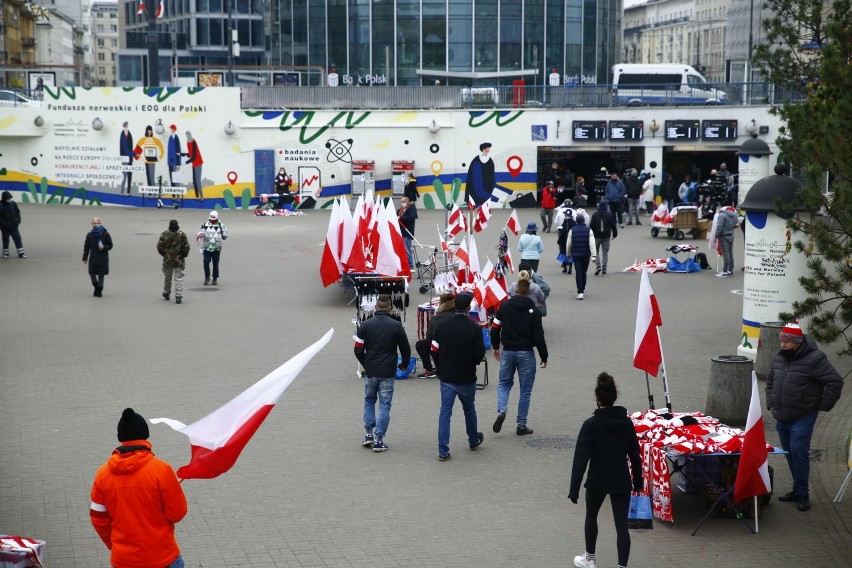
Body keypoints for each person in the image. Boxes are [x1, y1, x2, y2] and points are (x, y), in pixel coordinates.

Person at [90, 408, 188, 568]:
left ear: (120, 437)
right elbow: (176, 513)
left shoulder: (102, 474)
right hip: (162, 557)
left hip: (123, 560)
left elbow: (98, 518)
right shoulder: (162, 469)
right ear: (145, 434)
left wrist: (115, 546)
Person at [766, 322, 843, 512]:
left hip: (802, 415)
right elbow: (770, 381)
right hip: (782, 415)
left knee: (799, 451)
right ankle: (797, 488)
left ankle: (803, 493)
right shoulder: (778, 357)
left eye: (788, 341)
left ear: (798, 342)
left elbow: (834, 381)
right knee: (790, 453)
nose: (783, 344)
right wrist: (770, 403)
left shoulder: (815, 359)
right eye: (782, 340)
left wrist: (822, 405)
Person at [569, 373, 642, 568]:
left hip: (597, 479)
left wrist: (574, 488)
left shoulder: (591, 424)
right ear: (614, 396)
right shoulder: (627, 424)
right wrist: (639, 482)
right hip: (621, 479)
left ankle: (590, 558)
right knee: (621, 526)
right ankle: (622, 566)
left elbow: (580, 459)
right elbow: (635, 455)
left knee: (591, 517)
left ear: (597, 397)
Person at [431, 292, 486, 460]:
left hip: (447, 377)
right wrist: (472, 363)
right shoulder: (475, 328)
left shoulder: (442, 326)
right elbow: (479, 354)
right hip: (466, 376)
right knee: (469, 408)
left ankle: (443, 449)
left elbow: (434, 349)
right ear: (469, 308)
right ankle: (473, 439)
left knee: (445, 413)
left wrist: (440, 366)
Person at [490, 278, 548, 436]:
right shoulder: (534, 311)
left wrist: (496, 347)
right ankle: (521, 425)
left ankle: (502, 410)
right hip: (526, 353)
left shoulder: (505, 306)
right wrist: (544, 356)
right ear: (529, 292)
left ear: (516, 291)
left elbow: (495, 328)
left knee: (503, 384)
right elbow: (539, 336)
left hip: (508, 352)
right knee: (525, 391)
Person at [354, 294, 411, 452]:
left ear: (375, 307)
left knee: (369, 401)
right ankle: (379, 440)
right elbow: (405, 348)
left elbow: (357, 349)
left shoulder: (365, 325)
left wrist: (366, 363)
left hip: (371, 370)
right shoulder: (396, 325)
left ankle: (368, 434)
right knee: (385, 405)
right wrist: (404, 364)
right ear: (390, 308)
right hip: (388, 371)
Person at [415, 293, 456, 378]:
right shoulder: (458, 314)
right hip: (456, 344)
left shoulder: (438, 317)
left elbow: (430, 334)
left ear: (441, 303)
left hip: (441, 345)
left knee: (421, 344)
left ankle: (429, 369)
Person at [157, 219, 191, 304]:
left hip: (167, 260)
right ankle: (178, 296)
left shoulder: (164, 234)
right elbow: (186, 247)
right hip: (179, 260)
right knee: (178, 278)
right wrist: (182, 255)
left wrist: (165, 254)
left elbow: (159, 247)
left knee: (167, 277)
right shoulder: (182, 234)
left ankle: (167, 292)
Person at [566, 214, 596, 300]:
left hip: (576, 255)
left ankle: (580, 292)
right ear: (583, 221)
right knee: (584, 272)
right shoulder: (589, 230)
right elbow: (592, 244)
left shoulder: (572, 230)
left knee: (578, 272)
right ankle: (583, 287)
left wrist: (568, 254)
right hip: (586, 254)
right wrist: (594, 256)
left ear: (576, 221)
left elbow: (568, 244)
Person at [83, 217, 113, 297]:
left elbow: (110, 245)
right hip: (93, 258)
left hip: (103, 258)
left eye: (97, 223)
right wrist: (85, 258)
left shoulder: (105, 234)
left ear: (100, 224)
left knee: (101, 275)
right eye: (94, 223)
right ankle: (96, 287)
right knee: (92, 274)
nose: (96, 225)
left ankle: (99, 290)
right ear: (92, 224)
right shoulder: (90, 235)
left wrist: (104, 247)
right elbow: (87, 247)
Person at [197, 210, 228, 285]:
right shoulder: (205, 224)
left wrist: (221, 236)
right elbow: (201, 232)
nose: (212, 221)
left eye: (213, 220)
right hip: (207, 247)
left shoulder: (221, 225)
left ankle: (215, 278)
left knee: (215, 263)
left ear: (217, 218)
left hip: (217, 248)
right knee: (206, 262)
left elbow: (225, 236)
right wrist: (200, 235)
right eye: (211, 219)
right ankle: (207, 277)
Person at [590, 200, 617, 277]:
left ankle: (598, 265)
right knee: (605, 252)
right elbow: (613, 226)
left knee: (596, 251)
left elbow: (591, 226)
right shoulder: (609, 214)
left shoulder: (595, 215)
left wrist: (589, 235)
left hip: (596, 236)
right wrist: (615, 234)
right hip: (606, 237)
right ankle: (604, 269)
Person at [714, 205, 739, 277]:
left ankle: (725, 270)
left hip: (723, 236)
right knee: (730, 253)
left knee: (725, 254)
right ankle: (730, 270)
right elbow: (736, 225)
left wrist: (716, 236)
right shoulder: (734, 214)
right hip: (731, 235)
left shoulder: (722, 215)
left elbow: (719, 227)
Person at [0, 190, 26, 258]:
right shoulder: (1, 205)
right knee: (5, 240)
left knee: (18, 239)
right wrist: (3, 224)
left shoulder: (13, 203)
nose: (9, 199)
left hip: (14, 226)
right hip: (5, 228)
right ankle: (5, 253)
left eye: (9, 198)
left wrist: (18, 220)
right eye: (8, 198)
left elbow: (17, 212)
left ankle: (21, 253)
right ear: (4, 198)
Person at [397, 195, 418, 270]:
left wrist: (401, 218)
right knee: (401, 250)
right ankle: (404, 265)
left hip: (407, 232)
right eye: (401, 202)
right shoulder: (401, 209)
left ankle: (411, 266)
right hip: (400, 232)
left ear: (407, 201)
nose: (403, 203)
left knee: (407, 250)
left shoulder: (412, 209)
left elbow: (412, 218)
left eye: (404, 201)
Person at [556, 206, 576, 274]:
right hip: (572, 241)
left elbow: (562, 230)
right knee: (570, 253)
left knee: (564, 253)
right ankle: (570, 268)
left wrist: (559, 229)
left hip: (564, 240)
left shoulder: (565, 221)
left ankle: (564, 268)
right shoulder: (573, 222)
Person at [184, 131, 204, 200]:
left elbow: (194, 156)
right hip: (194, 163)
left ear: (190, 135)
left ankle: (202, 197)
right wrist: (183, 154)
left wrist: (186, 162)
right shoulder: (188, 142)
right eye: (186, 135)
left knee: (198, 180)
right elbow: (190, 154)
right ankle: (197, 196)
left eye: (188, 135)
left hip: (198, 163)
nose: (187, 136)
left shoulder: (193, 142)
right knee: (194, 180)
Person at [118, 121, 134, 196]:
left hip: (130, 157)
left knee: (129, 174)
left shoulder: (129, 134)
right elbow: (122, 146)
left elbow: (131, 146)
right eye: (125, 125)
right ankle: (122, 192)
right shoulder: (122, 134)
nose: (126, 126)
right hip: (124, 157)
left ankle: (128, 191)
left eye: (127, 125)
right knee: (124, 174)